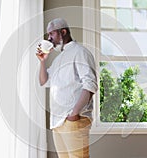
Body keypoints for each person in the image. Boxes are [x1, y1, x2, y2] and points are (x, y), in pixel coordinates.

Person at [36, 18, 97, 158]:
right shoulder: (59, 59)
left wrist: (74, 114)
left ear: (63, 32)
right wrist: (42, 62)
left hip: (73, 119)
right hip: (57, 121)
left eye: (51, 34)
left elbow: (90, 84)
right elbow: (44, 82)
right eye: (48, 35)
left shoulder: (80, 52)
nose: (49, 38)